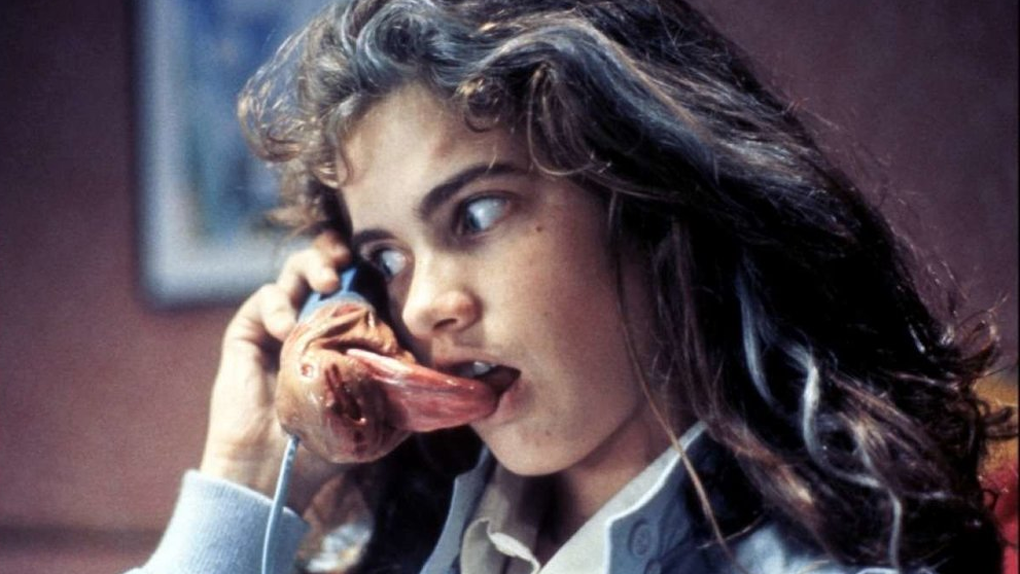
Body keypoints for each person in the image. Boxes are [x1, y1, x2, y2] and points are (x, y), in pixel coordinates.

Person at [130, 1, 1016, 573]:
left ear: (648, 197)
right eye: (388, 260)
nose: (426, 306)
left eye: (477, 214)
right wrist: (248, 472)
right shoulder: (402, 537)